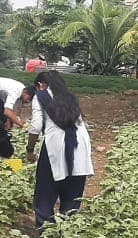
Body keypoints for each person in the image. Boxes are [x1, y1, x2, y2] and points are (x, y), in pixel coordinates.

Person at [25, 69, 93, 228]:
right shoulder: (70, 97)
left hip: (55, 145)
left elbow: (35, 127)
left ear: (41, 85)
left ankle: (45, 229)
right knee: (73, 190)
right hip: (80, 144)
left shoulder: (41, 96)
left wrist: (30, 149)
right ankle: (67, 230)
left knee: (46, 190)